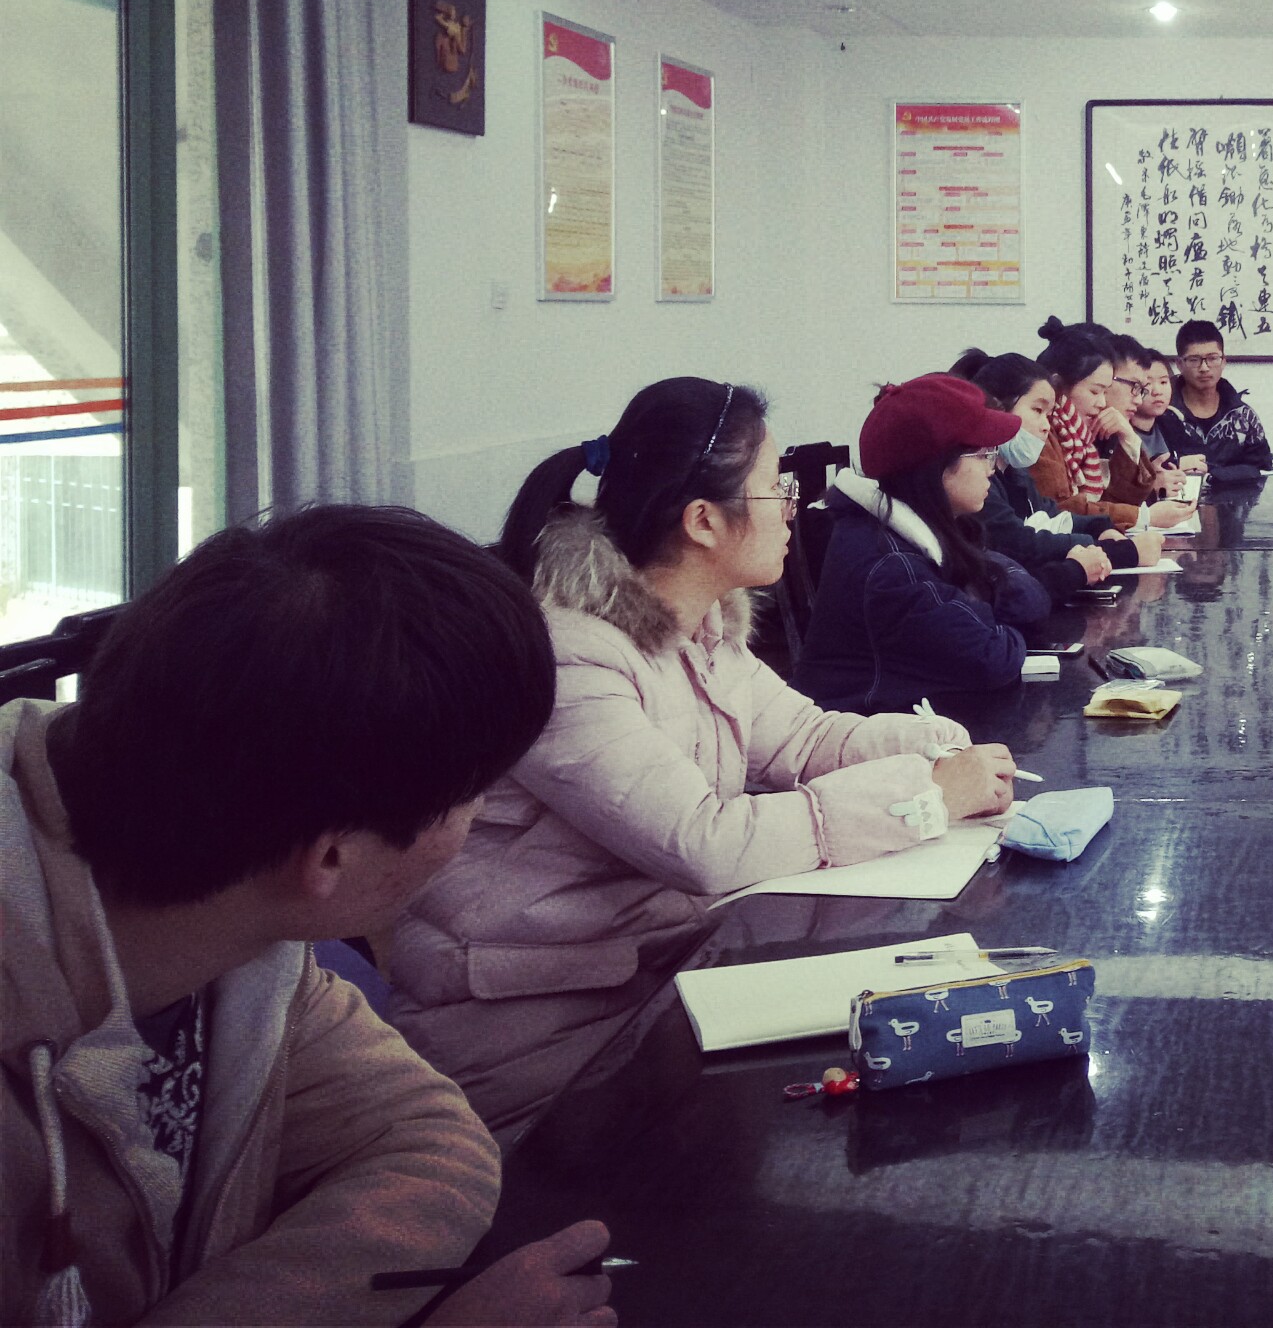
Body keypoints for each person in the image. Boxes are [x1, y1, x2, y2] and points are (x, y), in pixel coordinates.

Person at [1, 503, 615, 1328]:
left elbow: (430, 1139)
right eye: (474, 793)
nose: (476, 821)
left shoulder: (243, 933)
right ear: (330, 857)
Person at [389, 378, 1014, 1133]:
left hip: (655, 982)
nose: (795, 506)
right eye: (777, 487)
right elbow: (703, 843)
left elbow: (808, 740)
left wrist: (942, 744)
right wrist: (928, 798)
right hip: (539, 1038)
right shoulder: (574, 657)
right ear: (703, 521)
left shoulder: (705, 628)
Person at [801, 373, 1062, 712]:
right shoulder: (893, 569)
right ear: (936, 466)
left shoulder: (919, 530)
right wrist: (1000, 617)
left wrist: (985, 607)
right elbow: (992, 658)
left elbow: (1028, 597)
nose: (991, 469)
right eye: (983, 454)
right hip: (864, 734)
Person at [956, 349, 1139, 603]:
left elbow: (1052, 515)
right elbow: (1018, 543)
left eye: (1048, 414)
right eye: (1037, 410)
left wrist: (1099, 526)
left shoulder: (1016, 471)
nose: (1045, 426)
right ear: (998, 408)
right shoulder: (978, 480)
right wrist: (1115, 551)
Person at [1096, 335, 1196, 529]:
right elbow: (1081, 510)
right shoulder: (1096, 432)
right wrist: (1150, 494)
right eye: (1136, 387)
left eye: (1164, 382)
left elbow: (1110, 501)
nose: (1138, 398)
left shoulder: (1170, 420)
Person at [1157, 319, 1273, 474]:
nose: (1204, 368)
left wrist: (1214, 473)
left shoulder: (1243, 416)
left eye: (1212, 358)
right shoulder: (1162, 412)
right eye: (1194, 360)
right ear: (1179, 364)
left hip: (1234, 491)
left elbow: (1262, 467)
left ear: (1223, 361)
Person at [1029, 316, 1118, 508]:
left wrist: (1129, 439)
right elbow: (1064, 509)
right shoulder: (1042, 433)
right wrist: (1142, 516)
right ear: (1058, 384)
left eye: (1105, 392)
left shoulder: (1081, 437)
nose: (1102, 403)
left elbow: (1113, 499)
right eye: (1095, 391)